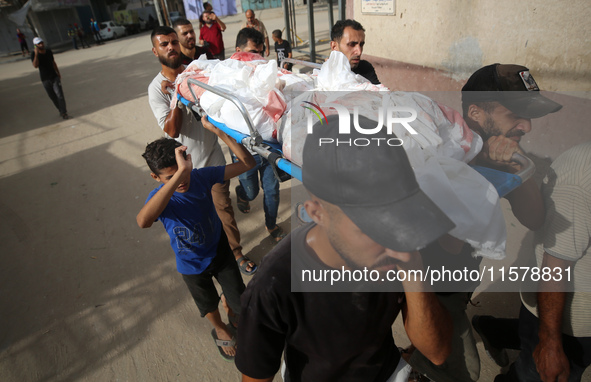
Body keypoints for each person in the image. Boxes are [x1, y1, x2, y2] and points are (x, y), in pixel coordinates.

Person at [235, 114, 454, 381]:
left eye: (398, 217)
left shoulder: (401, 246)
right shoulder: (274, 285)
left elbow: (437, 352)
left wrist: (413, 269)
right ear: (317, 212)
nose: (396, 242)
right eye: (371, 228)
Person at [406, 64, 564, 382]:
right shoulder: (443, 155)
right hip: (428, 288)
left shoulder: (497, 154)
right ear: (477, 113)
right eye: (516, 114)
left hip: (458, 283)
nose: (527, 126)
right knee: (464, 371)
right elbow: (451, 245)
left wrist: (520, 166)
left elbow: (534, 219)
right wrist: (479, 176)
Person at [136, 121, 256, 360]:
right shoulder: (159, 198)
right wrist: (180, 172)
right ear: (155, 177)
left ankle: (229, 304)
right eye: (171, 176)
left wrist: (221, 132)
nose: (181, 181)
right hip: (190, 264)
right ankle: (220, 328)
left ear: (188, 161)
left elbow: (247, 164)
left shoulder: (200, 177)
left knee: (240, 301)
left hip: (220, 252)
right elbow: (143, 221)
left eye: (183, 172)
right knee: (207, 305)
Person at [147, 26, 257, 276]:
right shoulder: (156, 88)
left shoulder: (195, 73)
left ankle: (236, 252)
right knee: (197, 218)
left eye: (173, 42)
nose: (171, 47)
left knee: (223, 209)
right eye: (164, 44)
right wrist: (176, 92)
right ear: (155, 51)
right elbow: (172, 130)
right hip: (184, 170)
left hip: (213, 160)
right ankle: (203, 266)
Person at [495, 141, 591, 382]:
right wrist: (550, 344)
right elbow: (555, 268)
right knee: (534, 372)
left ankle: (489, 328)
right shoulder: (583, 174)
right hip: (569, 324)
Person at [232, 28, 286, 243]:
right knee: (252, 191)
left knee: (272, 191)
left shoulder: (267, 75)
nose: (258, 59)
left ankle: (271, 224)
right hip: (244, 151)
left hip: (269, 147)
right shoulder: (230, 78)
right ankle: (242, 193)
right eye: (253, 53)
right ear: (238, 52)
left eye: (261, 54)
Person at [330, 19, 380, 84]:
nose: (359, 52)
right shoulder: (324, 75)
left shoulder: (365, 68)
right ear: (334, 46)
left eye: (361, 45)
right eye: (352, 45)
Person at [31, 37, 69, 120]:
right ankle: (60, 109)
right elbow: (35, 65)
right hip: (45, 79)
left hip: (54, 76)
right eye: (39, 44)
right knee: (53, 97)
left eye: (42, 43)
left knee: (60, 95)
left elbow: (53, 62)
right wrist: (36, 54)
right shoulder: (34, 54)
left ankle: (64, 112)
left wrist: (58, 73)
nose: (41, 45)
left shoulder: (48, 51)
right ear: (35, 46)